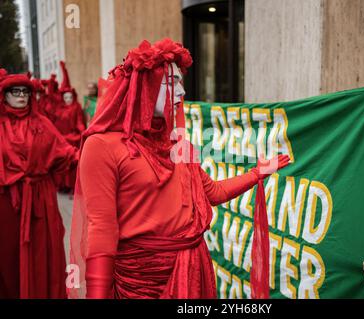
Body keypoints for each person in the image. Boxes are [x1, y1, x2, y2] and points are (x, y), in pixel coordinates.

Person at [69, 38, 291, 299]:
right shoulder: (101, 146)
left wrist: (257, 173)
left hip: (192, 270)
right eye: (172, 83)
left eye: (181, 83)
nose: (182, 93)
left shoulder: (178, 144)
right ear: (145, 86)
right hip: (140, 282)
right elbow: (101, 229)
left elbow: (213, 192)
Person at [0, 69, 78, 298]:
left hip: (40, 202)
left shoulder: (42, 123)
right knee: (8, 256)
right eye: (15, 91)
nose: (21, 95)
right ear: (4, 95)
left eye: (25, 91)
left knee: (41, 254)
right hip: (6, 204)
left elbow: (66, 154)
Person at [52, 61, 86, 193]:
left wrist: (83, 130)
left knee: (73, 163)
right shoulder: (59, 109)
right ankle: (63, 185)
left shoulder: (76, 107)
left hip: (73, 138)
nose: (68, 99)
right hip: (62, 139)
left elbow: (79, 121)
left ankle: (73, 186)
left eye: (70, 97)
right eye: (65, 97)